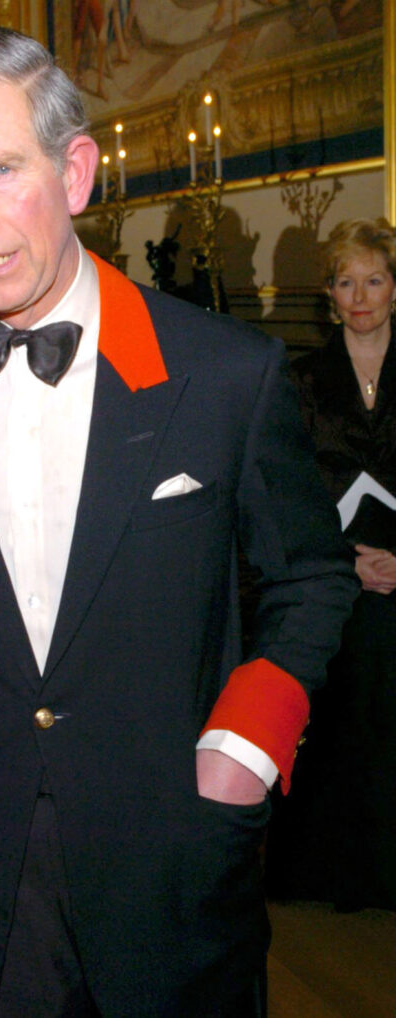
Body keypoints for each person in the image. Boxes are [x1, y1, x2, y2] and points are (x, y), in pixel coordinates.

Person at [0, 26, 358, 1017]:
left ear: (73, 171)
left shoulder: (223, 376)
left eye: (0, 169)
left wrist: (247, 744)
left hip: (171, 864)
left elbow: (311, 576)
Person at [267, 217, 396, 911]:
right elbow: (286, 489)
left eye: (374, 279)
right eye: (346, 281)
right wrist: (349, 561)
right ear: (329, 295)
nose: (361, 295)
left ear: (395, 288)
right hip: (334, 572)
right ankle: (334, 873)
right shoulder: (301, 381)